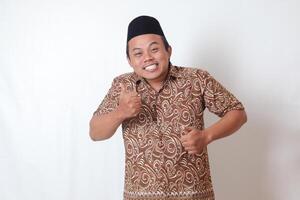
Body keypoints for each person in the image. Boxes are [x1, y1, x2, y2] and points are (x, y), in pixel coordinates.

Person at [89, 15, 247, 200]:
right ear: (130, 60)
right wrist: (120, 112)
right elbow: (95, 132)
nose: (148, 58)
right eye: (138, 53)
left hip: (194, 195)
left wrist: (206, 136)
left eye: (154, 49)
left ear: (168, 50)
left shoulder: (196, 79)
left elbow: (237, 112)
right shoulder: (122, 85)